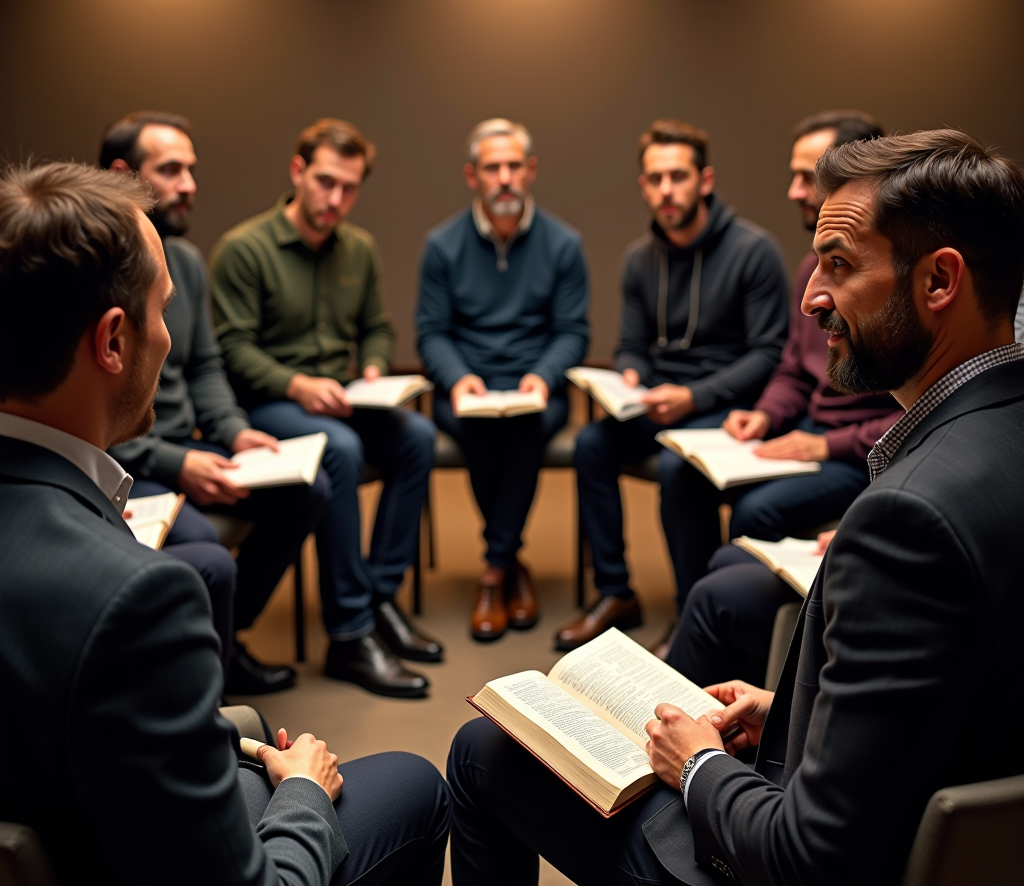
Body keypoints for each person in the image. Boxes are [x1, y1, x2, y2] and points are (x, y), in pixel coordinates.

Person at [446, 128, 1024, 886]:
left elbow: (813, 875)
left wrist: (701, 765)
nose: (812, 297)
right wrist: (787, 712)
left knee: (483, 753)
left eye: (841, 264)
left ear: (940, 281)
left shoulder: (908, 521)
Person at [0, 162, 450, 886]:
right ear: (113, 339)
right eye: (162, 311)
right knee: (417, 781)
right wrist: (304, 790)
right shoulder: (136, 600)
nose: (171, 337)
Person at [662, 110, 901, 670]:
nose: (794, 190)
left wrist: (825, 446)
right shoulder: (811, 271)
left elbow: (921, 407)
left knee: (754, 511)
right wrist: (765, 417)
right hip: (807, 435)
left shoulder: (891, 281)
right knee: (682, 474)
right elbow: (795, 369)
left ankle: (747, 656)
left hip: (855, 449)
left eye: (806, 177)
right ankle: (692, 620)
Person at [210, 119, 440, 699]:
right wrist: (296, 385)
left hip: (342, 395)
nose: (336, 199)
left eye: (350, 188)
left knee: (416, 436)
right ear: (297, 172)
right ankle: (350, 632)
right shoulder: (244, 249)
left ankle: (380, 595)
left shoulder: (358, 249)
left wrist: (374, 367)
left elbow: (377, 328)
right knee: (340, 451)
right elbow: (233, 350)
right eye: (326, 182)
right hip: (270, 404)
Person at [100, 110, 328, 695]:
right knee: (209, 554)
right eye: (171, 170)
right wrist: (179, 465)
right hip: (133, 465)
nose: (190, 185)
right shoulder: (95, 271)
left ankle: (228, 641)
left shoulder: (190, 264)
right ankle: (210, 682)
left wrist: (232, 430)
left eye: (191, 170)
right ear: (124, 174)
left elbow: (205, 366)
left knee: (310, 490)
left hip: (191, 448)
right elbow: (100, 416)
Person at [557, 119, 788, 651]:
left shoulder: (754, 251)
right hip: (660, 399)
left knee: (676, 468)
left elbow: (767, 354)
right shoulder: (640, 258)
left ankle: (692, 612)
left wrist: (695, 397)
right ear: (643, 185)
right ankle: (616, 591)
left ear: (705, 180)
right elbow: (630, 345)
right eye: (655, 178)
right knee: (591, 446)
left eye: (678, 176)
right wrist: (632, 373)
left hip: (726, 403)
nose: (666, 190)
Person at [416, 118, 589, 642]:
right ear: (473, 176)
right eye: (493, 168)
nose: (505, 177)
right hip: (469, 385)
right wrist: (458, 377)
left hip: (535, 385)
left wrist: (542, 376)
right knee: (482, 431)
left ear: (531, 170)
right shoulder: (442, 245)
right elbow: (432, 332)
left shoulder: (563, 244)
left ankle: (494, 569)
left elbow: (572, 331)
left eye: (515, 166)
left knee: (523, 429)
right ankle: (509, 563)